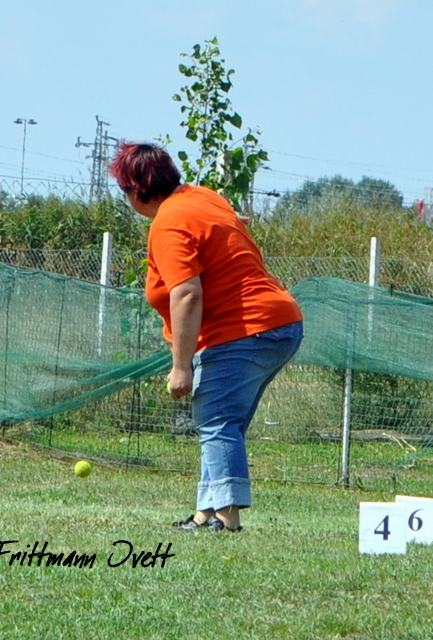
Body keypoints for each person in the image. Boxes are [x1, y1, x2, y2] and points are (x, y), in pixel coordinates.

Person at [109, 141, 303, 533]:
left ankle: (226, 519)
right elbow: (228, 225)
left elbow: (186, 293)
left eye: (125, 190)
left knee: (216, 419)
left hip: (244, 328)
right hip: (279, 323)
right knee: (218, 419)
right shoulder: (201, 197)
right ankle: (206, 512)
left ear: (138, 189)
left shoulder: (168, 221)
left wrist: (181, 366)